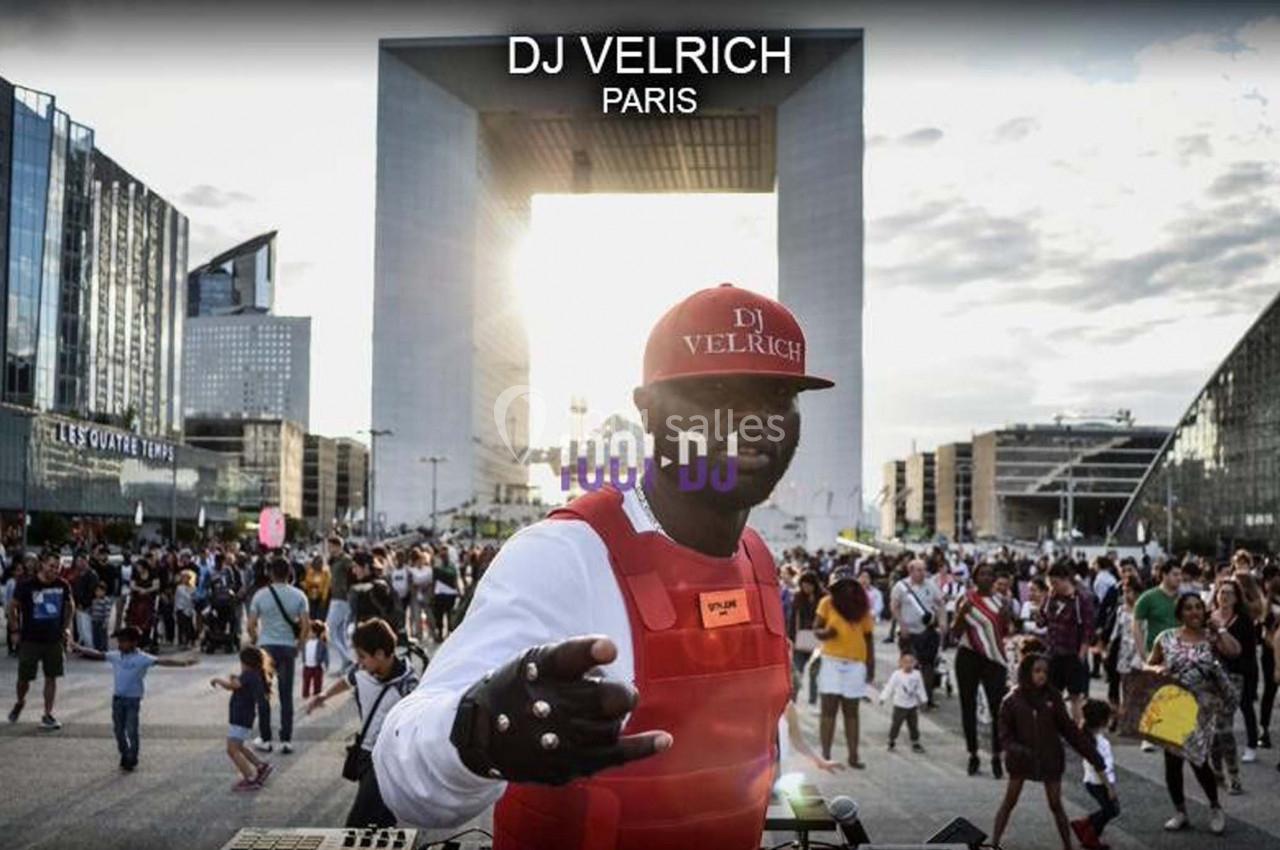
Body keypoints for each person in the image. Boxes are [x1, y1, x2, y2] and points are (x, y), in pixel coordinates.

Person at [374, 283, 833, 847]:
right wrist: (478, 735)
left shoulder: (759, 560)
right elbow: (402, 773)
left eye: (776, 396)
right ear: (647, 410)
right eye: (714, 394)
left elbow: (747, 756)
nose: (748, 422)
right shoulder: (565, 555)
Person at [306, 619, 421, 827]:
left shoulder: (408, 685)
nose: (359, 662)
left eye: (362, 656)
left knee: (357, 824)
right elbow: (348, 680)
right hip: (365, 754)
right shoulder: (362, 671)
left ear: (379, 654)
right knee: (381, 821)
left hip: (387, 760)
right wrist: (323, 696)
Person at [1146, 593, 1239, 834]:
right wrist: (1158, 668)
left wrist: (1219, 629)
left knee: (1198, 759)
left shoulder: (1211, 638)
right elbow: (1149, 664)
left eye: (1198, 607)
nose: (1194, 612)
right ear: (1180, 613)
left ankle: (1215, 807)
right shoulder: (1165, 638)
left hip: (1202, 707)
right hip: (1172, 705)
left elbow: (1234, 652)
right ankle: (1180, 812)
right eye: (1188, 608)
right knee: (1172, 762)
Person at [991, 654, 1106, 850]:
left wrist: (1095, 757)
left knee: (1056, 804)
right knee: (1009, 801)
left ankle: (1067, 845)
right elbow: (1004, 736)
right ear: (1027, 672)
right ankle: (993, 843)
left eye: (1045, 671)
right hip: (1021, 759)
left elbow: (1069, 730)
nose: (1041, 675)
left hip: (1050, 758)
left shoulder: (1053, 696)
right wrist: (1019, 750)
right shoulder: (1011, 700)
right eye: (1037, 671)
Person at [70, 625, 197, 770]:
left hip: (132, 700)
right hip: (117, 699)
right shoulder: (116, 656)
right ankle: (124, 753)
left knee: (131, 730)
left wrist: (184, 663)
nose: (120, 645)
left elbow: (162, 661)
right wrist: (78, 647)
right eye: (119, 641)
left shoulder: (142, 658)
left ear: (134, 642)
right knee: (118, 730)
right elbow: (98, 654)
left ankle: (132, 757)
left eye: (123, 641)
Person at [246, 557, 310, 755]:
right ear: (289, 572)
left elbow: (250, 624)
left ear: (270, 573)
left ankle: (265, 739)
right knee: (286, 694)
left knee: (263, 693)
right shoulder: (299, 595)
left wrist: (257, 639)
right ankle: (286, 740)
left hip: (266, 648)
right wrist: (298, 645)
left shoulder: (260, 595)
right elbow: (306, 626)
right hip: (287, 648)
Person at [814, 567, 875, 768]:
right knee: (828, 710)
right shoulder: (827, 603)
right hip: (831, 660)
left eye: (850, 585)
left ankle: (853, 756)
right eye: (842, 586)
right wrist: (825, 634)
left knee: (852, 711)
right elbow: (816, 629)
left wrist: (870, 664)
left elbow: (868, 636)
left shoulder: (862, 607)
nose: (847, 590)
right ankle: (825, 755)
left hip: (856, 663)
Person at [954, 561, 1011, 777]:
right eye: (982, 574)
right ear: (975, 577)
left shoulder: (1001, 602)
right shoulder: (966, 599)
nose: (986, 578)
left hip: (994, 658)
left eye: (990, 574)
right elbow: (954, 633)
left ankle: (997, 755)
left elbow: (1004, 631)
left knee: (998, 708)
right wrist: (961, 614)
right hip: (968, 656)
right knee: (967, 706)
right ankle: (973, 753)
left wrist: (1006, 615)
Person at [8, 552, 74, 729]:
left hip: (53, 640)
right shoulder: (26, 585)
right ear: (42, 565)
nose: (55, 570)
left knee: (51, 677)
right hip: (30, 639)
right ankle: (20, 701)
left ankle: (48, 714)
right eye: (51, 566)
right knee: (24, 679)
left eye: (57, 566)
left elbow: (70, 606)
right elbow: (12, 607)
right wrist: (14, 629)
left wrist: (66, 628)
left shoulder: (63, 585)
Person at [1210, 579, 1257, 789]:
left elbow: (1243, 653)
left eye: (1229, 593)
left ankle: (1233, 775)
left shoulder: (1244, 621)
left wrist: (1221, 632)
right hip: (1211, 677)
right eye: (1221, 592)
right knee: (1214, 728)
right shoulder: (1208, 618)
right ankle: (1217, 771)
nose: (1225, 596)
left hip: (1235, 676)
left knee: (1224, 726)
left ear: (1237, 598)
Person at [1036, 561, 1094, 723]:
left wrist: (1081, 656)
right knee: (1052, 693)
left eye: (1055, 583)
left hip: (1072, 653)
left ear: (1066, 580)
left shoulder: (1081, 599)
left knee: (1076, 696)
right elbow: (1043, 622)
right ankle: (1053, 727)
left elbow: (1088, 630)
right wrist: (1039, 612)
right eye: (1050, 584)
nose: (1053, 587)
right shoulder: (1051, 597)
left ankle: (1078, 729)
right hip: (1053, 652)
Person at [211, 646, 275, 791]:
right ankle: (261, 766)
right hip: (244, 716)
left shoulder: (249, 674)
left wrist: (218, 681)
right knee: (239, 746)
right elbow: (239, 684)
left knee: (231, 749)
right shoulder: (254, 674)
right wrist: (236, 679)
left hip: (241, 716)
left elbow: (232, 686)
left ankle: (250, 778)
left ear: (246, 662)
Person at [890, 558, 945, 709]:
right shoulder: (901, 587)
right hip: (908, 631)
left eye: (924, 570)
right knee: (908, 665)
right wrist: (902, 625)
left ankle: (926, 699)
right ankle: (905, 698)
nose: (922, 573)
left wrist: (942, 621)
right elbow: (894, 607)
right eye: (919, 570)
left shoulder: (931, 585)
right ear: (911, 571)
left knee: (928, 665)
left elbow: (940, 604)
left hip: (927, 631)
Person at [1070, 699, 1120, 850]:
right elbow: (1102, 768)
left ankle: (1083, 825)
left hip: (1091, 781)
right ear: (1103, 721)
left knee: (1109, 809)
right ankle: (1090, 836)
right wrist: (1110, 787)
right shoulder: (1099, 743)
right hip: (1099, 783)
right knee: (1111, 810)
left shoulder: (1088, 738)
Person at [787, 570, 822, 705]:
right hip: (800, 638)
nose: (806, 588)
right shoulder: (798, 597)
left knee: (814, 672)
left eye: (808, 585)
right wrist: (791, 638)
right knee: (796, 671)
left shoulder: (823, 598)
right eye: (803, 585)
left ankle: (813, 700)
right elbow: (792, 619)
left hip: (818, 638)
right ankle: (792, 700)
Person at [880, 650, 926, 753]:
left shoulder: (917, 674)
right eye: (905, 662)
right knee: (896, 724)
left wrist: (924, 700)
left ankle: (915, 742)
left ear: (915, 663)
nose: (908, 664)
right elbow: (890, 686)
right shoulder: (897, 674)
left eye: (911, 662)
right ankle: (891, 740)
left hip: (912, 705)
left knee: (913, 725)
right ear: (900, 663)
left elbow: (920, 688)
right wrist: (883, 697)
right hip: (899, 705)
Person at [325, 536, 356, 674]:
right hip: (335, 597)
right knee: (339, 633)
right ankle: (345, 664)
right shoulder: (335, 561)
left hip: (342, 598)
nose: (329, 549)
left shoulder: (346, 560)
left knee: (330, 631)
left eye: (330, 546)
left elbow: (353, 575)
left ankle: (348, 659)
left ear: (338, 546)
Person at [407, 547, 434, 642]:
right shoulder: (411, 570)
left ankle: (433, 634)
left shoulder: (428, 569)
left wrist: (426, 588)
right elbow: (410, 584)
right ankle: (419, 637)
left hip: (426, 596)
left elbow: (431, 583)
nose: (419, 561)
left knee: (430, 616)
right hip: (415, 596)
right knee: (417, 617)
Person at [302, 621, 330, 699]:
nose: (308, 633)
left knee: (318, 682)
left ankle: (317, 695)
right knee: (306, 681)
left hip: (317, 666)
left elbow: (326, 655)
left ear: (315, 633)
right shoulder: (306, 642)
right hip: (307, 666)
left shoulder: (321, 643)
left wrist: (326, 664)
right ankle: (305, 694)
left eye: (309, 631)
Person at [303, 555, 331, 622]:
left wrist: (324, 599)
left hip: (321, 597)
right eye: (315, 563)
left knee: (321, 617)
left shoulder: (326, 572)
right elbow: (307, 582)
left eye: (319, 563)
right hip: (311, 595)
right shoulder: (310, 571)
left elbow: (326, 586)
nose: (317, 565)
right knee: (312, 615)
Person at [174, 569, 197, 649]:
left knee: (189, 626)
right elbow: (177, 599)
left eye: (186, 577)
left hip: (189, 609)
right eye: (183, 577)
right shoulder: (179, 588)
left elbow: (193, 598)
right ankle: (182, 642)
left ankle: (190, 640)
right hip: (181, 609)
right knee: (182, 626)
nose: (184, 579)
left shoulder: (193, 588)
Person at [90, 583, 113, 652]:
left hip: (101, 621)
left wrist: (105, 622)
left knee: (102, 636)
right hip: (94, 620)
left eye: (100, 591)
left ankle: (103, 649)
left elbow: (107, 612)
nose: (98, 593)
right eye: (97, 591)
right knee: (95, 636)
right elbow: (92, 610)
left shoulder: (106, 601)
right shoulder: (94, 600)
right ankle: (96, 649)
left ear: (104, 592)